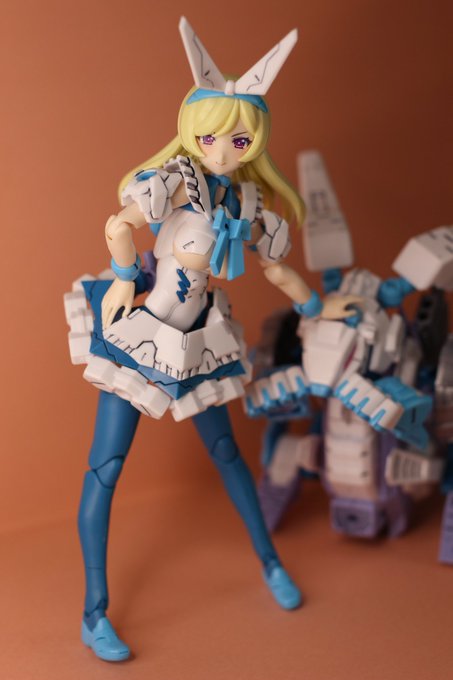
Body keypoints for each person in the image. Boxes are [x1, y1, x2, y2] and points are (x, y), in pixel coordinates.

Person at [73, 17, 357, 662]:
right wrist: (124, 279)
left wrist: (318, 306)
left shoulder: (248, 202)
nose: (222, 150)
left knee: (228, 454)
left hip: (200, 340)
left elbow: (277, 269)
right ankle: (94, 613)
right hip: (143, 337)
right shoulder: (177, 179)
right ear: (190, 131)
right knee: (106, 468)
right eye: (208, 136)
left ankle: (271, 563)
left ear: (255, 140)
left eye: (237, 138)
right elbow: (119, 224)